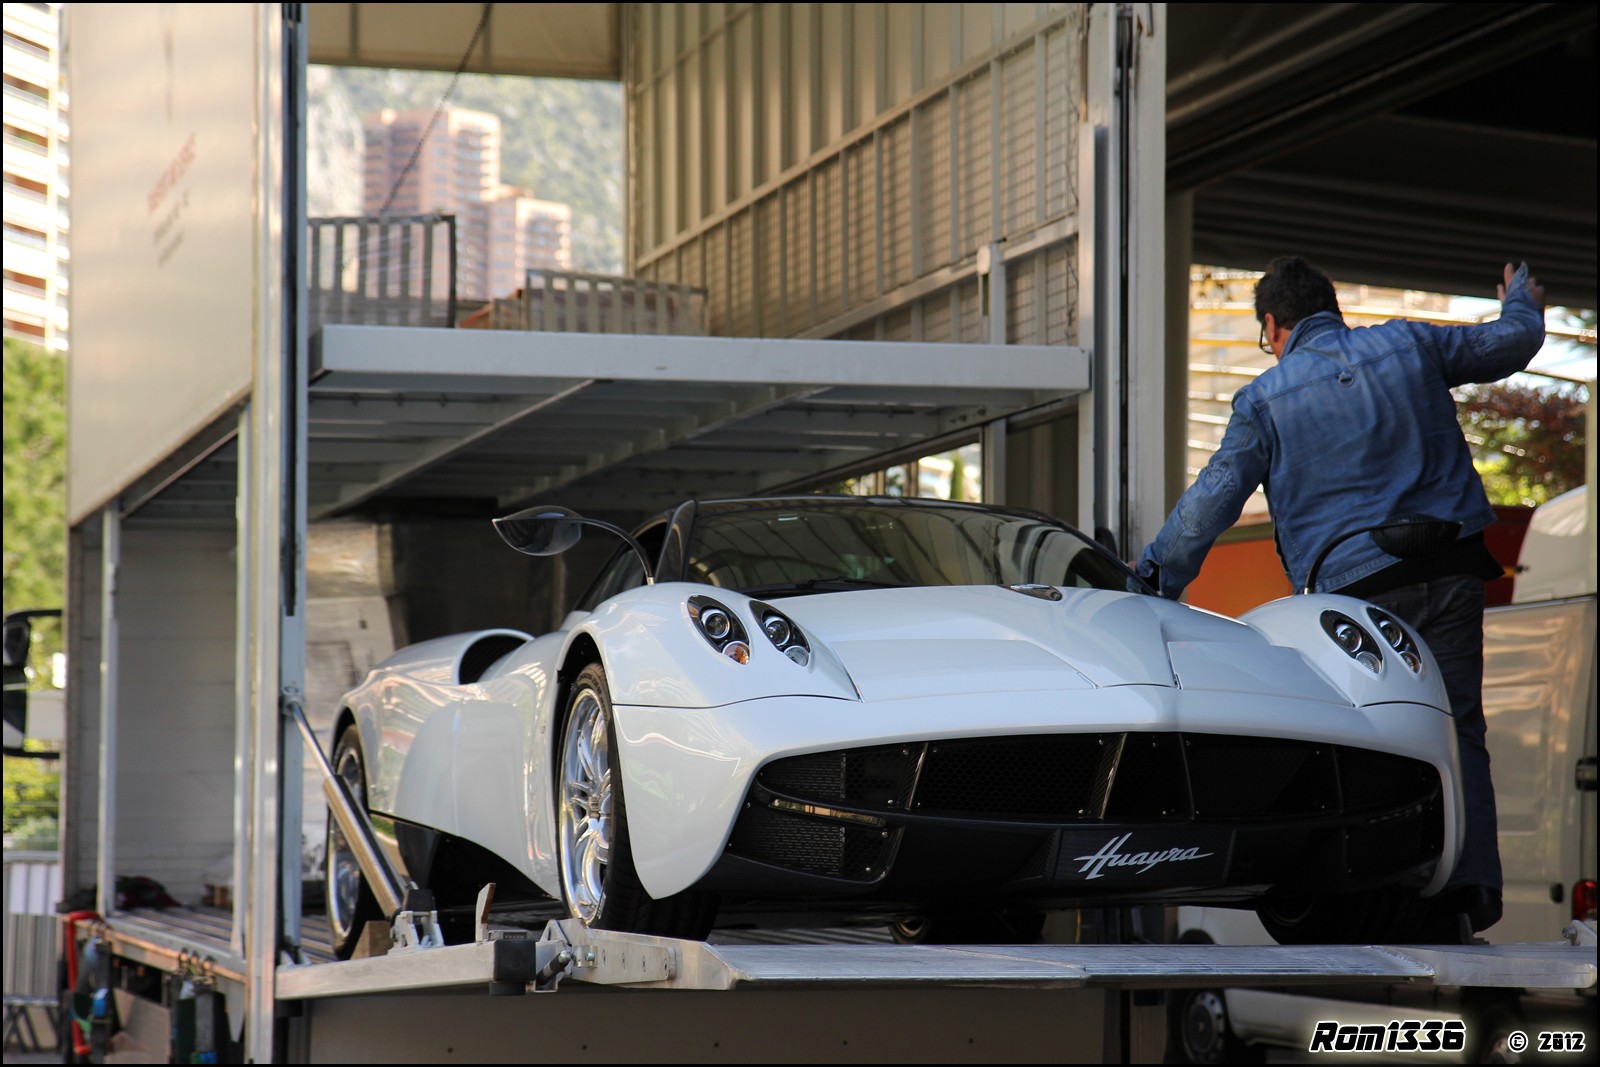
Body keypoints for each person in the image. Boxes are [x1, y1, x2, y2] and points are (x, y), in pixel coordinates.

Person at [1136, 256, 1546, 941]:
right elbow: (1511, 343)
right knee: (1458, 726)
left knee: (1368, 742)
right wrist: (1522, 301)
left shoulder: (1264, 400)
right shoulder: (1409, 342)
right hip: (1449, 568)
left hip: (1355, 597)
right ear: (1331, 308)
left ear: (1273, 326)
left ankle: (1384, 886)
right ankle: (1471, 885)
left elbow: (1211, 504)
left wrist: (1153, 579)